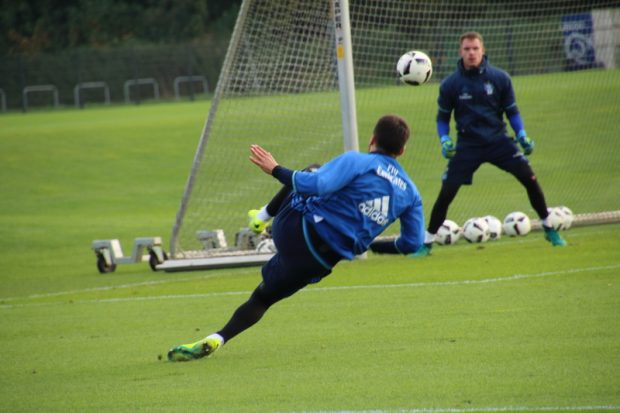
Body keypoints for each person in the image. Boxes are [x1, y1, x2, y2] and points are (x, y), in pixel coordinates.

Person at [167, 114, 426, 362]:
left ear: (372, 140)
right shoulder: (412, 194)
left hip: (296, 230)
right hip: (321, 260)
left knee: (312, 169)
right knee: (262, 300)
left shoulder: (358, 161)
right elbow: (411, 244)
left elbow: (316, 185)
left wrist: (275, 169)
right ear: (402, 151)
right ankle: (218, 337)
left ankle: (260, 219)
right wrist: (374, 246)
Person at [417, 31, 566, 255]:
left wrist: (522, 134)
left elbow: (512, 112)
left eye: (475, 48)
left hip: (499, 141)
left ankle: (549, 228)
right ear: (461, 52)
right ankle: (426, 243)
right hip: (468, 146)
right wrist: (445, 139)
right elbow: (442, 118)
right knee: (447, 192)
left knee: (530, 178)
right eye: (467, 49)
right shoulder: (450, 84)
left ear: (482, 50)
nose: (471, 53)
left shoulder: (500, 78)